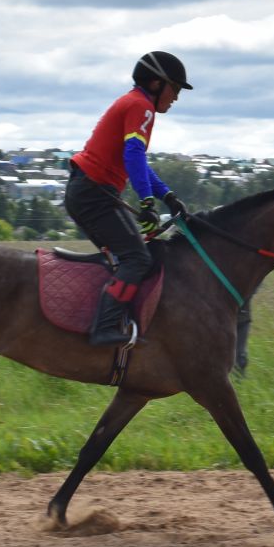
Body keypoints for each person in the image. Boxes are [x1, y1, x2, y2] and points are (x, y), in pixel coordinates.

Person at [62, 51, 192, 346]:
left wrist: (166, 195)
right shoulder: (141, 106)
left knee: (125, 256)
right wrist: (147, 202)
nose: (175, 98)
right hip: (95, 194)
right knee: (137, 257)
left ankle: (110, 319)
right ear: (157, 83)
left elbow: (138, 163)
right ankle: (105, 328)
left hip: (89, 191)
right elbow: (134, 154)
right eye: (174, 89)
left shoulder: (134, 103)